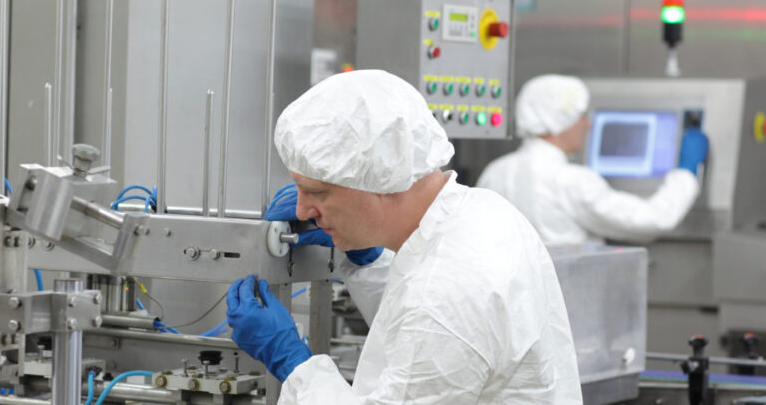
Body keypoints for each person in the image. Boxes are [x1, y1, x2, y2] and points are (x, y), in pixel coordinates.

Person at [225, 69, 582, 404]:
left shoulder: (446, 292)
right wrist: (367, 261)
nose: (303, 212)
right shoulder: (483, 212)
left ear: (378, 180)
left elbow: (435, 314)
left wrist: (294, 365)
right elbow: (420, 330)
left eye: (317, 192)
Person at [477, 74, 709, 246]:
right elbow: (654, 219)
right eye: (581, 116)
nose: (588, 124)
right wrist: (686, 171)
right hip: (570, 302)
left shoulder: (494, 172)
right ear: (560, 123)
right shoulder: (571, 181)